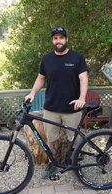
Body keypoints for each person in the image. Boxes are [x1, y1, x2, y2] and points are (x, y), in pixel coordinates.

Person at [25, 26, 88, 179]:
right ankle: (52, 163)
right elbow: (41, 78)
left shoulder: (77, 57)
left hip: (72, 108)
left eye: (61, 38)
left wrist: (81, 99)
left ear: (66, 39)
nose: (58, 41)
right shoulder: (46, 59)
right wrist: (32, 93)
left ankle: (75, 163)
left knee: (74, 139)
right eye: (55, 38)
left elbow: (83, 78)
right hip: (51, 108)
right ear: (52, 41)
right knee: (51, 140)